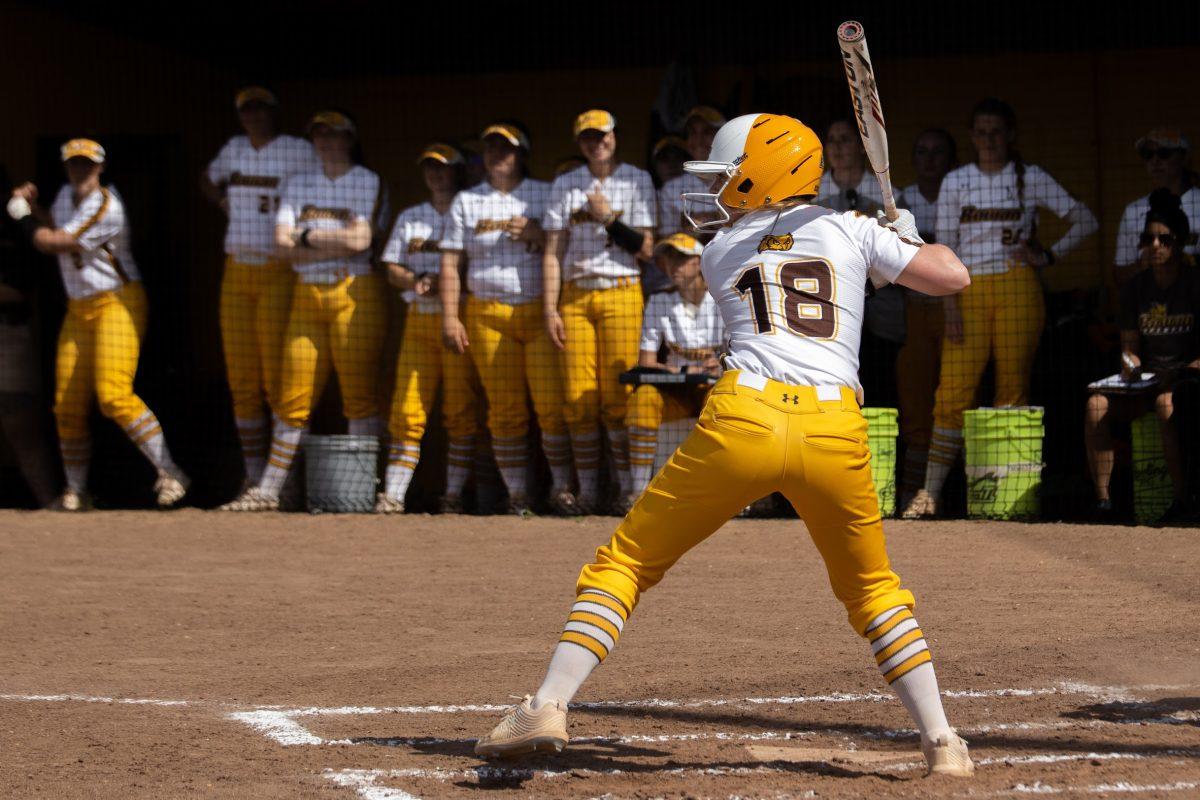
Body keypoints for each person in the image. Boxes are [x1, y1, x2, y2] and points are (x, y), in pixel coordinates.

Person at [473, 112, 975, 778]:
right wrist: (904, 236)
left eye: (730, 173)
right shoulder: (851, 231)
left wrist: (880, 243)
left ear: (762, 175)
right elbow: (951, 277)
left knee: (624, 562)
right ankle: (942, 743)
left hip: (745, 420)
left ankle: (547, 703)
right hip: (834, 430)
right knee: (874, 591)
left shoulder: (721, 251)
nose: (720, 187)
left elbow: (790, 257)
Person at [903, 98, 1098, 519]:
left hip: (1018, 287)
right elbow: (946, 245)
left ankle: (1009, 491)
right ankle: (930, 492)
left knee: (1012, 388)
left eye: (996, 131)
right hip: (966, 288)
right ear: (971, 137)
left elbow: (1085, 218)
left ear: (1010, 135)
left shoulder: (1030, 177)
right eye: (981, 132)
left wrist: (1047, 256)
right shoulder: (958, 181)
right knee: (952, 389)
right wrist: (949, 304)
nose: (988, 139)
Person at [7, 139, 190, 510]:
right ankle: (77, 490)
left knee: (113, 393)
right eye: (74, 164)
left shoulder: (107, 205)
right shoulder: (63, 196)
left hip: (117, 303)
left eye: (87, 164)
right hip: (79, 309)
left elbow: (58, 242)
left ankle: (171, 472)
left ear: (101, 167)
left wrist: (21, 216)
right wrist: (33, 206)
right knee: (67, 404)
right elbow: (55, 223)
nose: (80, 170)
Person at [223, 110, 388, 511]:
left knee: (359, 397)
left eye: (336, 135)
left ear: (351, 139)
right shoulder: (299, 183)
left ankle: (359, 494)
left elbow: (361, 240)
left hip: (354, 291)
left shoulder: (367, 180)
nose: (328, 143)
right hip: (306, 293)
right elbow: (280, 243)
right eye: (320, 136)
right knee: (292, 395)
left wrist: (306, 235)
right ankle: (268, 490)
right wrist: (332, 237)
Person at [440, 122, 573, 515]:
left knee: (550, 405)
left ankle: (562, 488)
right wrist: (451, 315)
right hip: (485, 312)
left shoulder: (544, 192)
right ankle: (518, 494)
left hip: (537, 311)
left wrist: (536, 232)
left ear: (522, 154)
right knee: (504, 408)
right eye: (491, 148)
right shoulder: (467, 201)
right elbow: (450, 263)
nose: (498, 155)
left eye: (507, 148)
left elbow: (563, 249)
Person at [201, 87, 318, 490]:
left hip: (278, 269)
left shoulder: (297, 150)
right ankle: (253, 474)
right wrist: (220, 202)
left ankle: (285, 480)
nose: (254, 116)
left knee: (277, 375)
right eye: (247, 110)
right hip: (237, 268)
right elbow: (206, 179)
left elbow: (327, 180)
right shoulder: (233, 149)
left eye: (261, 109)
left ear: (275, 112)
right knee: (242, 378)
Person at [544, 109, 656, 514]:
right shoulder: (565, 185)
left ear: (614, 137)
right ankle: (588, 489)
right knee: (576, 397)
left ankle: (627, 487)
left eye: (602, 135)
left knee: (618, 394)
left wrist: (607, 216)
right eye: (588, 138)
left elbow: (647, 250)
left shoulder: (636, 180)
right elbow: (553, 252)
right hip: (574, 295)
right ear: (579, 144)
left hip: (621, 291)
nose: (596, 143)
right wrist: (549, 308)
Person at [377, 143, 483, 514]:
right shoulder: (411, 216)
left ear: (458, 172)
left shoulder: (473, 208)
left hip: (460, 319)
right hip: (419, 320)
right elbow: (391, 267)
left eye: (443, 167)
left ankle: (453, 494)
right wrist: (415, 279)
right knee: (407, 409)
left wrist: (452, 283)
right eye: (430, 168)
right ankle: (393, 495)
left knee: (459, 408)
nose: (436, 174)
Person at [1085, 190, 1199, 522]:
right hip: (1145, 384)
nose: (1155, 246)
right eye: (1148, 239)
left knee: (1167, 403)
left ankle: (1182, 502)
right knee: (1096, 405)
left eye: (1164, 238)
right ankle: (1103, 503)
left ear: (1180, 242)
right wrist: (1129, 365)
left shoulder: (1195, 284)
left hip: (1186, 385)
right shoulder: (1135, 288)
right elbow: (1129, 346)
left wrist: (1180, 375)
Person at [625, 233, 724, 501]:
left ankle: (717, 492)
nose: (673, 266)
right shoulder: (659, 301)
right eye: (669, 259)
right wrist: (682, 372)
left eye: (681, 259)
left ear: (700, 262)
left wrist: (722, 362)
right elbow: (645, 362)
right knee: (643, 399)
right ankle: (638, 492)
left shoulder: (724, 298)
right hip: (676, 392)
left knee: (720, 405)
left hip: (716, 388)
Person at [817, 119, 905, 411]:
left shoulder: (887, 193)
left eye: (845, 139)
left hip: (880, 305)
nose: (838, 147)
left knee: (881, 381)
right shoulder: (812, 194)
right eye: (832, 140)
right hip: (830, 302)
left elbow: (900, 250)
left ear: (861, 147)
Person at [895, 129, 957, 509]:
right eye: (922, 151)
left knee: (951, 402)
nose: (930, 159)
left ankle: (951, 496)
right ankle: (910, 496)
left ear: (951, 159)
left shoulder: (960, 194)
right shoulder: (902, 202)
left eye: (938, 152)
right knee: (916, 407)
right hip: (915, 315)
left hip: (957, 315)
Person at [0, 163, 61, 508]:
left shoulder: (13, 225)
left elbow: (21, 289)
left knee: (21, 425)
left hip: (9, 337)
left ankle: (50, 503)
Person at [1113, 128, 1199, 286]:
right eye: (1148, 155)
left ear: (1184, 158)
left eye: (1164, 153)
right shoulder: (1133, 211)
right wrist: (1142, 264)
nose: (1155, 160)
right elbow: (1119, 277)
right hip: (1150, 308)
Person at [656, 106, 725, 238]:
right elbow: (665, 239)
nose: (698, 141)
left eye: (707, 132)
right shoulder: (671, 188)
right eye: (693, 133)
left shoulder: (739, 179)